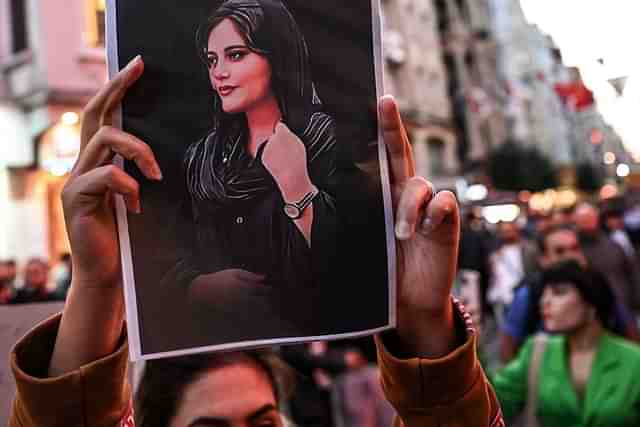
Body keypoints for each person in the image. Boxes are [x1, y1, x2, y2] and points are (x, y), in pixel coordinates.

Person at [9, 58, 502, 426]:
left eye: (264, 424)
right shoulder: (200, 167)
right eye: (211, 59)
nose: (221, 72)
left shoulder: (318, 158)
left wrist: (422, 331)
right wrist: (100, 286)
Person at [161, 0, 338, 338]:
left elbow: (349, 265)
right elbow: (168, 251)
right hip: (219, 345)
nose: (219, 72)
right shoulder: (202, 158)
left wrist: (298, 187)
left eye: (236, 55)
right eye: (212, 60)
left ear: (277, 57)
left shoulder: (324, 140)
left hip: (310, 351)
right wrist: (198, 287)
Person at [492, 260, 640, 426]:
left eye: (559, 293)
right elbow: (490, 401)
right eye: (544, 294)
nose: (545, 302)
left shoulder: (634, 361)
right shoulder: (537, 350)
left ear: (591, 304)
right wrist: (466, 344)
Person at [500, 226, 638, 363]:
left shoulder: (597, 285)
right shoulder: (529, 294)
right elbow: (509, 345)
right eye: (560, 251)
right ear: (544, 259)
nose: (571, 256)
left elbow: (628, 327)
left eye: (575, 248)